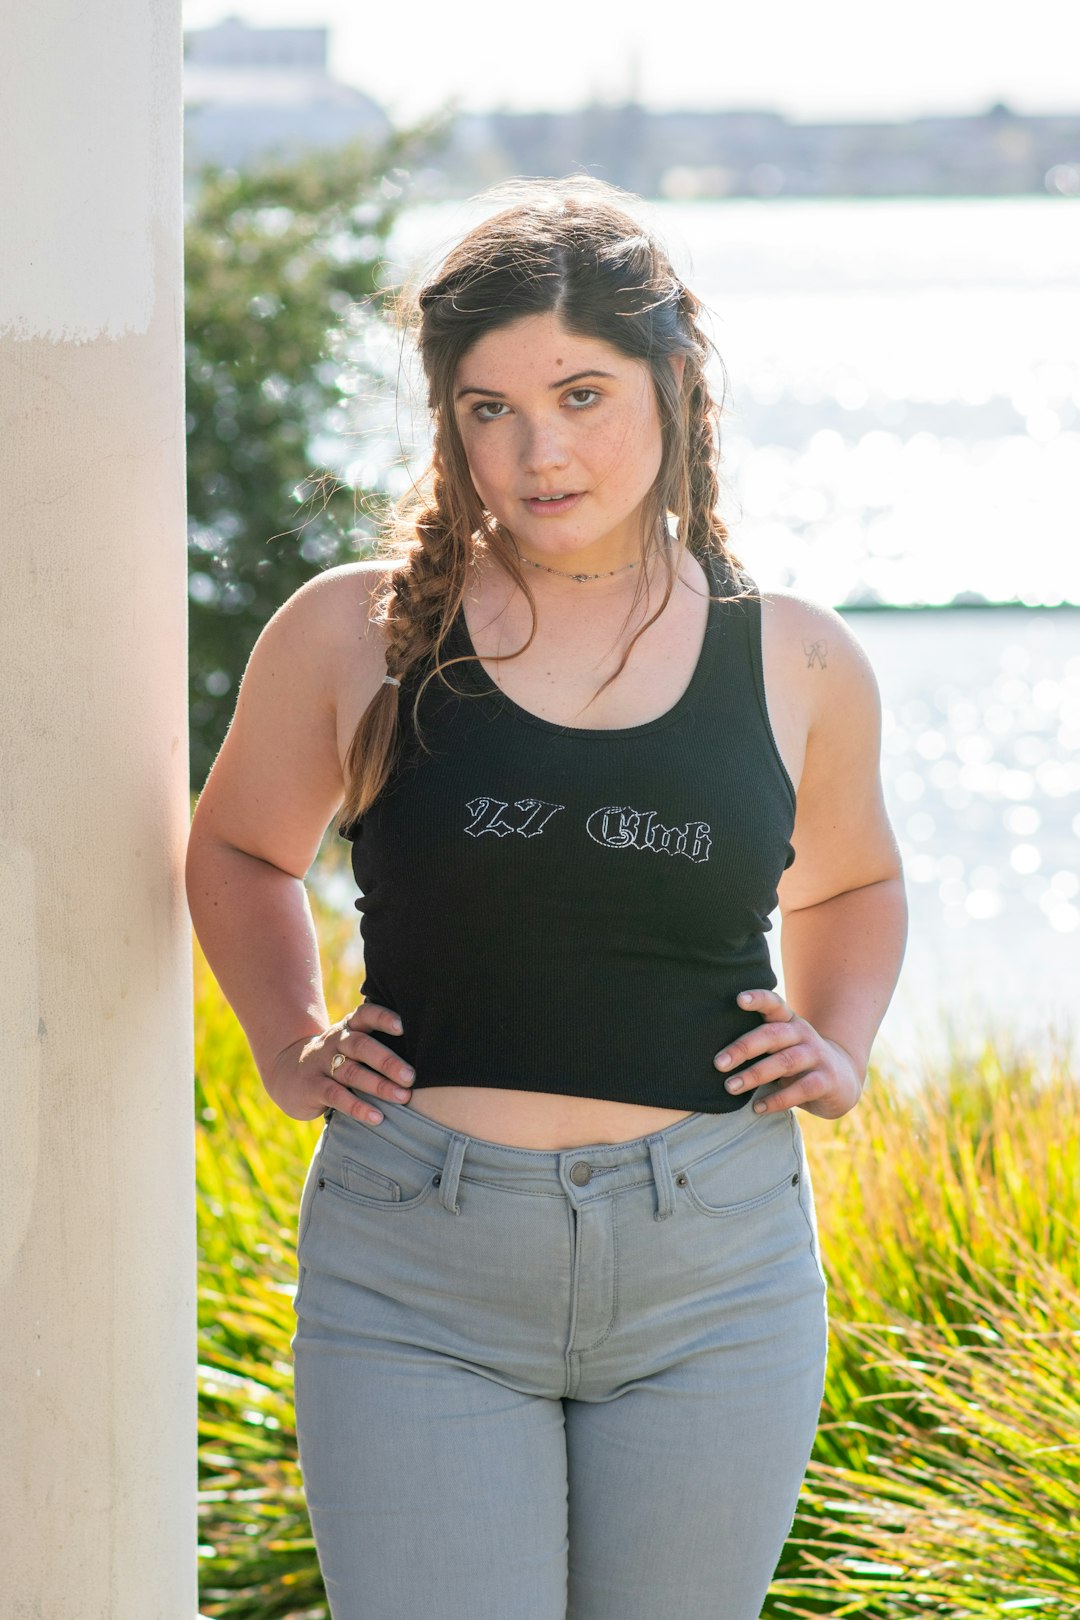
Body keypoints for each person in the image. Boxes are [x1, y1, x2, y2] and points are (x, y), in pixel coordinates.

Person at [185, 176, 907, 1620]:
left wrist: (841, 1046)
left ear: (673, 384)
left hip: (716, 1277)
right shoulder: (356, 630)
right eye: (487, 407)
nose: (538, 449)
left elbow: (861, 879)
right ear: (447, 422)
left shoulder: (798, 659)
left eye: (582, 393)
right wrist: (286, 1039)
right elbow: (240, 853)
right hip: (415, 1272)